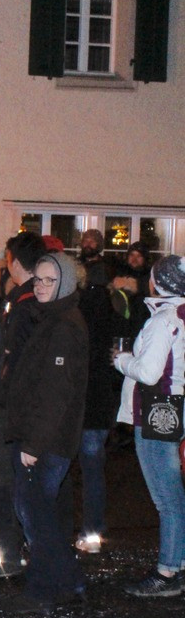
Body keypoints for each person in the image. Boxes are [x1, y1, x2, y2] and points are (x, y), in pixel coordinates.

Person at [1, 251, 87, 613]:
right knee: (38, 513)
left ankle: (44, 589)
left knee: (36, 513)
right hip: (43, 436)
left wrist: (33, 444)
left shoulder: (63, 326)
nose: (40, 286)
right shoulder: (51, 318)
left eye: (49, 280)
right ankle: (66, 581)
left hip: (47, 441)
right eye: (37, 279)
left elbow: (55, 392)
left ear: (64, 283)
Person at [0, 231, 47, 581]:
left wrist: (0, 388)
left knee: (1, 483)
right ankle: (24, 553)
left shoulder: (23, 305)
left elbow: (16, 360)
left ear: (15, 262)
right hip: (23, 407)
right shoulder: (34, 300)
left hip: (11, 408)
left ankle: (5, 557)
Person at [113, 255, 185, 597]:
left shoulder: (164, 320)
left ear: (160, 282)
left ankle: (168, 571)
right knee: (174, 495)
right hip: (175, 409)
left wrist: (122, 360)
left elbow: (150, 372)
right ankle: (177, 562)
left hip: (156, 412)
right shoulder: (179, 316)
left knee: (166, 498)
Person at [74, 247, 116, 554]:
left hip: (85, 399)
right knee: (94, 468)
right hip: (105, 399)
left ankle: (88, 531)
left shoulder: (81, 307)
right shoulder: (119, 305)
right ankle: (94, 527)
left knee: (81, 467)